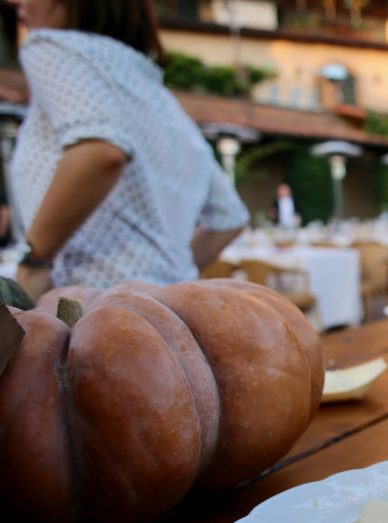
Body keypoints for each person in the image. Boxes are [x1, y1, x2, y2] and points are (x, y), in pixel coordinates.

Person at [10, 0, 249, 299]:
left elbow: (101, 151)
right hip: (174, 313)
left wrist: (35, 261)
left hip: (89, 313)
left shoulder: (52, 47)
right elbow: (230, 217)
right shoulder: (156, 94)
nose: (19, 4)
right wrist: (160, 284)